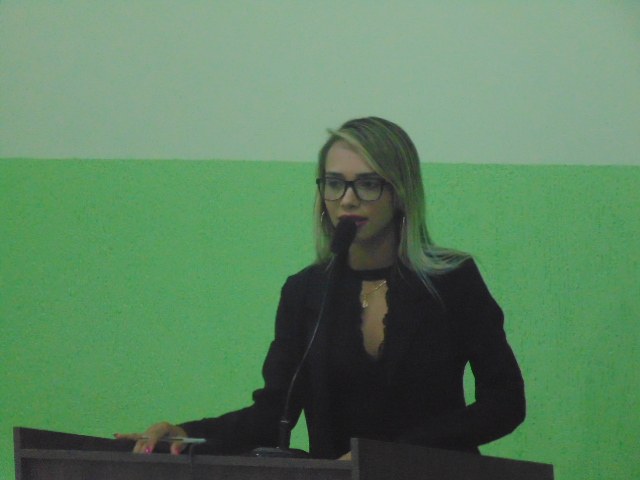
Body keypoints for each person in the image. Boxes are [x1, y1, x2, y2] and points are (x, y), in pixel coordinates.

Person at [116, 117, 525, 459]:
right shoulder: (306, 291)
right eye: (334, 183)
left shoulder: (451, 281)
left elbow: (505, 404)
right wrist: (186, 434)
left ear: (400, 192)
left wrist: (391, 455)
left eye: (368, 184)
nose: (347, 199)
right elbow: (273, 415)